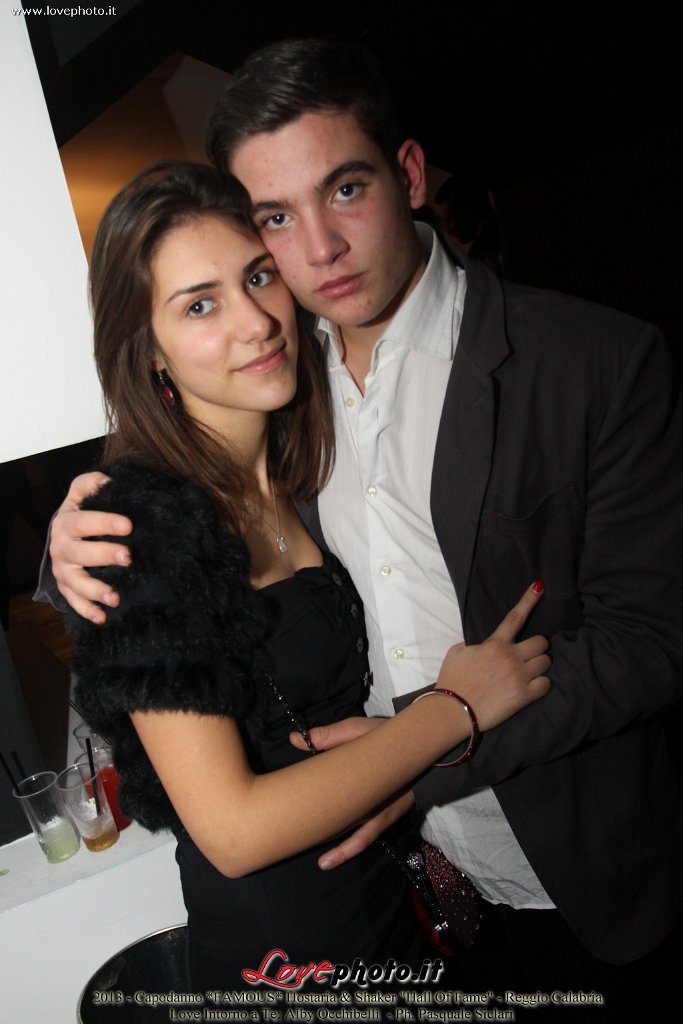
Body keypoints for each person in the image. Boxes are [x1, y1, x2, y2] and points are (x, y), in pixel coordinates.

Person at [42, 38, 682, 1014]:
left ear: (408, 175)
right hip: (388, 905)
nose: (317, 252)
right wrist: (72, 545)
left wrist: (429, 752)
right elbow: (163, 549)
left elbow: (651, 637)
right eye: (275, 220)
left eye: (344, 190)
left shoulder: (590, 361)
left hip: (570, 878)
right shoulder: (278, 389)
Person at [63, 158, 550, 993]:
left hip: (387, 912)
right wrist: (454, 709)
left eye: (258, 277)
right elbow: (233, 832)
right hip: (286, 958)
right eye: (200, 305)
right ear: (149, 354)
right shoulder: (140, 528)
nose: (256, 321)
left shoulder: (295, 478)